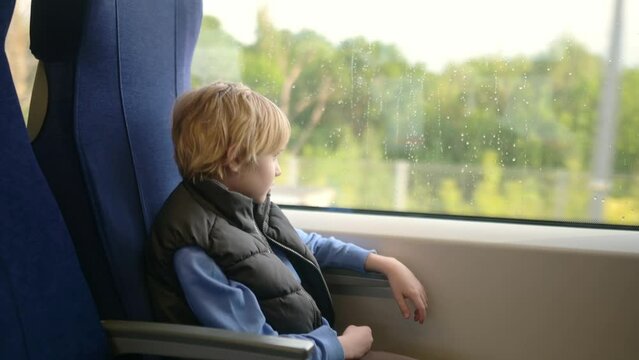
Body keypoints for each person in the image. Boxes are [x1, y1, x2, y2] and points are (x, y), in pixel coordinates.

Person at [145, 81, 428, 360]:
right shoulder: (195, 249)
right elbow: (254, 347)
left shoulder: (244, 211)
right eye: (274, 156)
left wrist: (383, 264)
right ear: (234, 159)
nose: (279, 170)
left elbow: (306, 244)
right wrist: (342, 347)